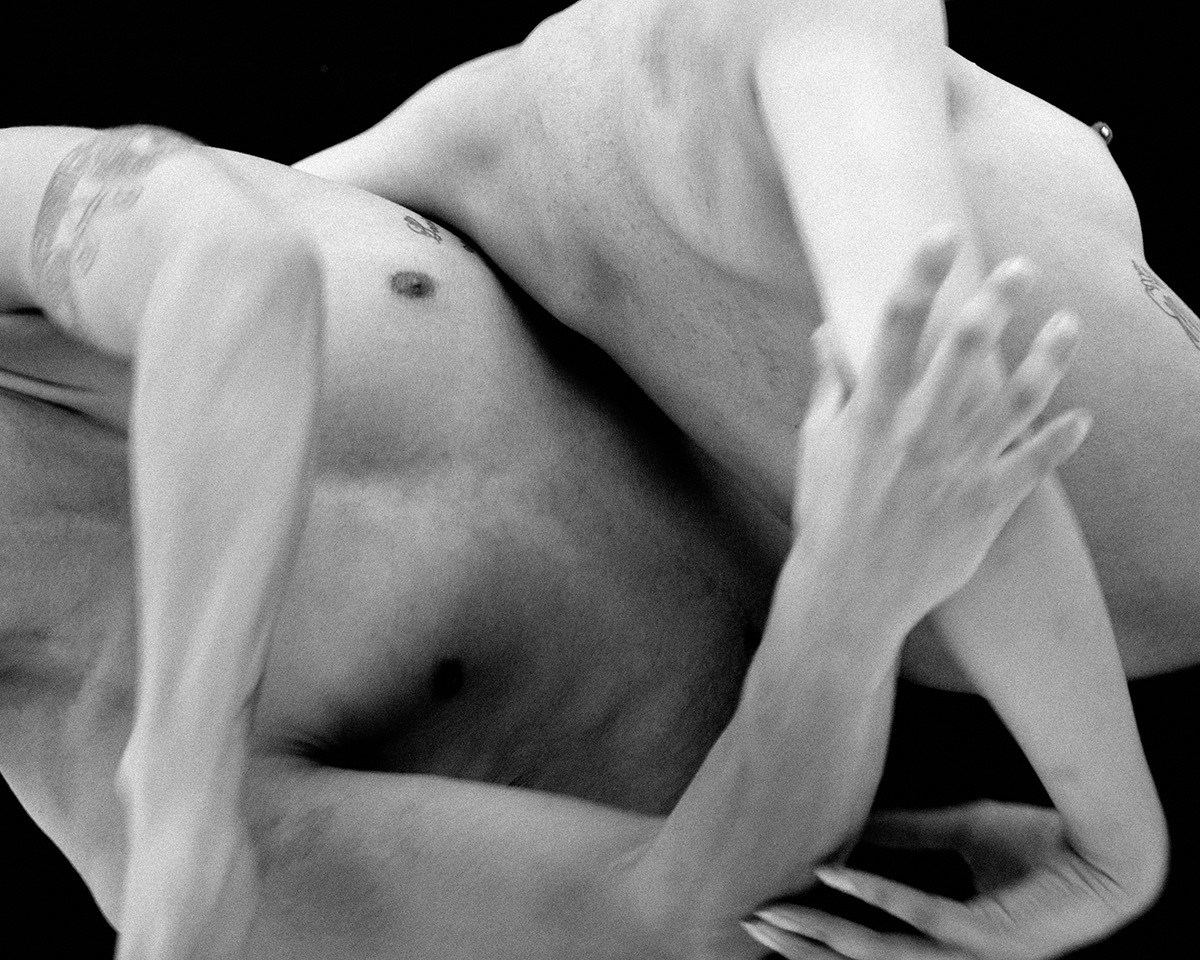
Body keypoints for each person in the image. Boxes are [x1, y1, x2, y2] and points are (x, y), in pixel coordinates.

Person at [0, 2, 1176, 958]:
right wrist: (848, 602)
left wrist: (186, 776)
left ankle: (1112, 830)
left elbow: (233, 274)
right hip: (1014, 593)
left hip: (778, 218)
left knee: (694, 56)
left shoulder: (170, 816)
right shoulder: (111, 810)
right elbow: (677, 916)